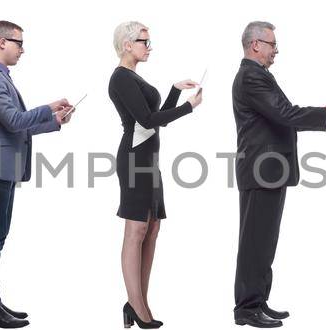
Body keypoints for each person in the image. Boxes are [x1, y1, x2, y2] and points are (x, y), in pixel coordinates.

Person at [230, 21, 326, 329]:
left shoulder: (259, 76)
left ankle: (258, 300)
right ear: (256, 45)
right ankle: (246, 308)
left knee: (265, 241)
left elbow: (282, 113)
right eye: (272, 46)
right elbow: (285, 113)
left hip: (270, 171)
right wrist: (325, 114)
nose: (275, 52)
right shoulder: (251, 77)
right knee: (255, 241)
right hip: (261, 170)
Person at [0, 20, 74, 329]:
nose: (22, 49)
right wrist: (48, 107)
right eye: (18, 43)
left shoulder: (1, 77)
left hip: (5, 168)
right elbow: (15, 121)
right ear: (1, 42)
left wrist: (54, 121)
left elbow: (16, 126)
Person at [107, 21, 202, 330]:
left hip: (149, 160)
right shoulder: (121, 78)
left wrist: (174, 91)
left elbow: (153, 121)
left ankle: (139, 302)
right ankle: (137, 306)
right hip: (134, 160)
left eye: (149, 42)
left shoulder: (134, 77)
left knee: (152, 228)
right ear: (126, 45)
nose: (149, 47)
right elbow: (147, 120)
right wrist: (188, 108)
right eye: (144, 41)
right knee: (135, 230)